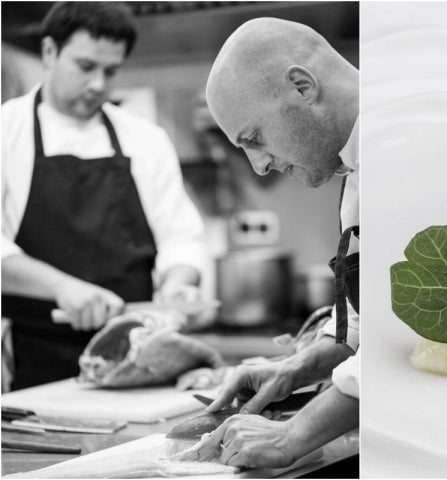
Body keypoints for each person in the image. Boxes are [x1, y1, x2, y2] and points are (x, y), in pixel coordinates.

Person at [173, 17, 359, 469]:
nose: (257, 166)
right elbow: (373, 322)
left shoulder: (409, 147)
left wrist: (293, 434)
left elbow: (425, 339)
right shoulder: (355, 170)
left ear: (302, 86)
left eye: (254, 139)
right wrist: (297, 367)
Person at [1, 2, 206, 390]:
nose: (98, 84)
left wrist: (179, 283)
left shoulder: (145, 139)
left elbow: (181, 237)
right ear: (49, 52)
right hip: (35, 358)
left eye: (111, 71)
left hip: (135, 355)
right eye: (85, 66)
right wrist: (64, 288)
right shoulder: (6, 134)